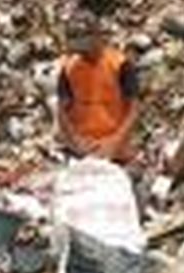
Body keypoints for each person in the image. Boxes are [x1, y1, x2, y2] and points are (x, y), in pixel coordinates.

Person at [56, 15, 140, 163]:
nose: (83, 53)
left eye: (86, 48)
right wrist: (76, 140)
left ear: (98, 37)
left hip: (115, 146)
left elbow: (133, 109)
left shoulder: (119, 64)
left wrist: (115, 141)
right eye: (79, 49)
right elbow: (62, 110)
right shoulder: (69, 67)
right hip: (82, 146)